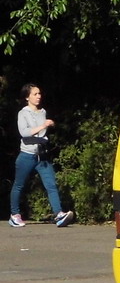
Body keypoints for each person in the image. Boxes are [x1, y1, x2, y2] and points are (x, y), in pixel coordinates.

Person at [9, 83, 74, 228]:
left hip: (42, 157)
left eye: (39, 94)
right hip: (26, 155)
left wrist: (46, 130)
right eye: (35, 94)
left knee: (51, 184)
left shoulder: (42, 112)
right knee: (19, 185)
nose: (39, 96)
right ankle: (14, 215)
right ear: (27, 97)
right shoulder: (23, 113)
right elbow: (24, 133)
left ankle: (59, 214)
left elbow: (41, 133)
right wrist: (43, 126)